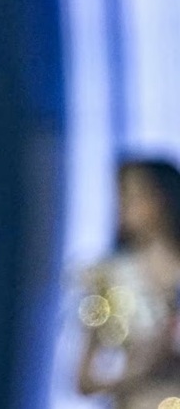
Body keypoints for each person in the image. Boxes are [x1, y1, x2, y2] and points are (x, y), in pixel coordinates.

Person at [76, 159, 180, 408]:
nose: (124, 206)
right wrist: (140, 369)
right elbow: (84, 380)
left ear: (165, 198)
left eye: (136, 196)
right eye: (121, 196)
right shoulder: (108, 277)